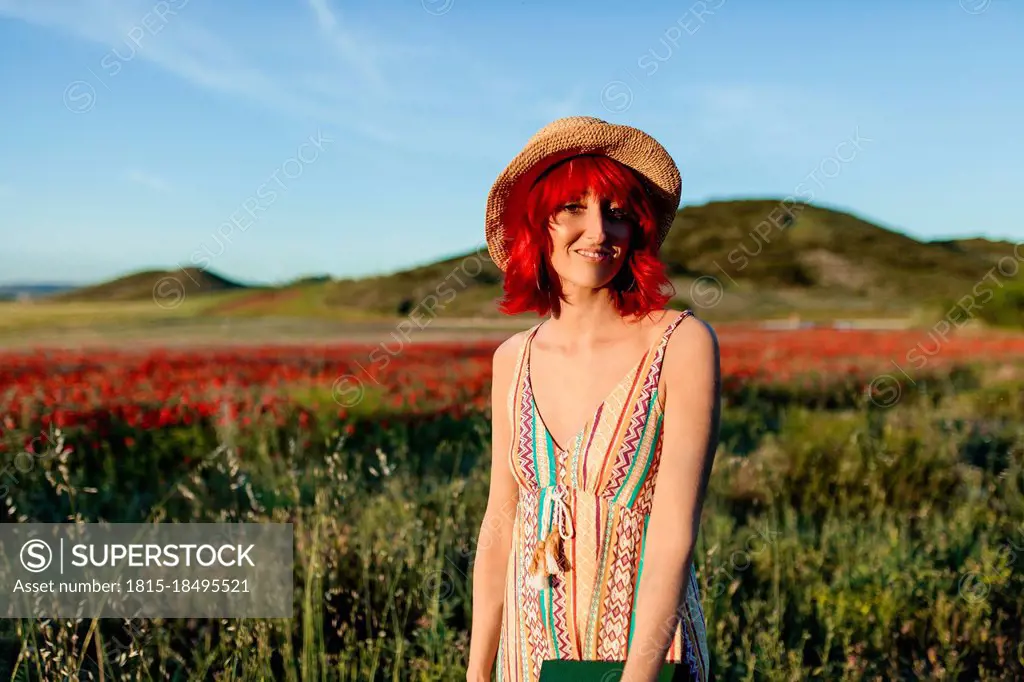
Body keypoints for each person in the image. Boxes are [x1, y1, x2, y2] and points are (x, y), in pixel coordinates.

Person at [466, 116, 721, 682]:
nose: (598, 230)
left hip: (647, 659)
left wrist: (637, 675)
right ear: (538, 224)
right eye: (573, 209)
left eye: (617, 212)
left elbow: (675, 531)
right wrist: (478, 669)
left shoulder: (679, 344)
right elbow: (501, 524)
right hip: (527, 656)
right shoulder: (513, 359)